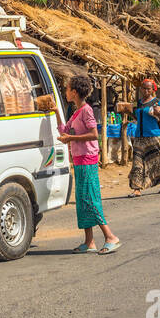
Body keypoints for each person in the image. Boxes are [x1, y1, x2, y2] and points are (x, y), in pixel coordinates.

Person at [58, 75, 119, 253]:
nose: (66, 92)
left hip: (87, 159)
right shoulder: (76, 111)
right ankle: (89, 241)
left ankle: (110, 237)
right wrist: (55, 111)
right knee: (83, 200)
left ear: (75, 92)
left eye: (68, 89)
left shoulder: (86, 111)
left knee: (90, 199)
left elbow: (94, 134)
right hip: (79, 158)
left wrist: (71, 138)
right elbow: (64, 130)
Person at [119, 78, 160, 197]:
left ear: (152, 90)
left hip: (153, 135)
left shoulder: (157, 102)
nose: (145, 91)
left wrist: (158, 112)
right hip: (139, 136)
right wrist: (126, 110)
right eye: (144, 88)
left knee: (158, 161)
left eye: (148, 89)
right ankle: (137, 188)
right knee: (137, 163)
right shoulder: (138, 102)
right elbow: (135, 115)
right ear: (140, 89)